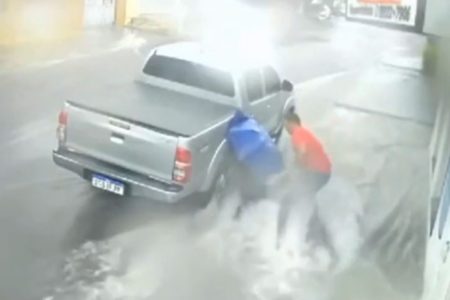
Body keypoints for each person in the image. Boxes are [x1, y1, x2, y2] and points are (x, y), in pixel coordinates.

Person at [277, 110, 333, 251]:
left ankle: (279, 240)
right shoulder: (303, 132)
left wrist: (298, 172)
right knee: (307, 199)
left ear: (291, 122)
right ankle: (320, 238)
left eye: (285, 125)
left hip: (318, 173)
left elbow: (302, 152)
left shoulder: (298, 133)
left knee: (287, 201)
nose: (285, 129)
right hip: (321, 172)